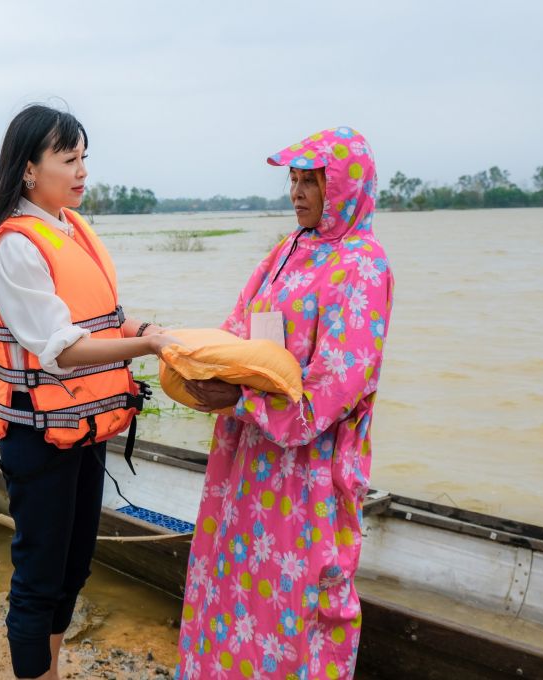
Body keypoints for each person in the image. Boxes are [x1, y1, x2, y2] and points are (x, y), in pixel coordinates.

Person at [0, 104, 178, 680]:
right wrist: (147, 350)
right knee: (37, 578)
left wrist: (144, 331)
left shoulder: (71, 227)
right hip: (40, 436)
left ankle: (51, 670)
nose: (82, 171)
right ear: (28, 170)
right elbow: (63, 347)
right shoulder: (14, 246)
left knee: (74, 568)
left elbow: (101, 323)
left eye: (84, 158)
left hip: (85, 428)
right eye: (68, 158)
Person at [175, 127, 393, 680]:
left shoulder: (363, 265)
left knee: (302, 603)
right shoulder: (285, 251)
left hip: (307, 473)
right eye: (293, 181)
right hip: (247, 462)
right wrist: (198, 366)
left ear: (344, 188)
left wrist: (243, 401)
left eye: (311, 182)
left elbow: (335, 389)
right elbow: (237, 330)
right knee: (235, 584)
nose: (296, 193)